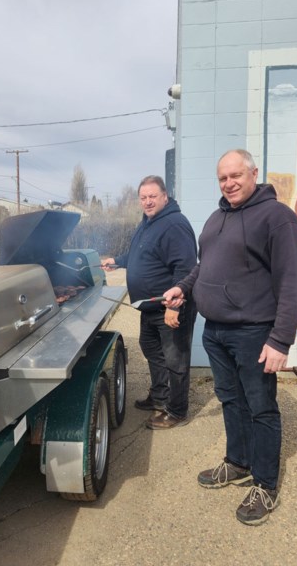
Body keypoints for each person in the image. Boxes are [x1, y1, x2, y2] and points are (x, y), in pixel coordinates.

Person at [163, 149, 297, 525]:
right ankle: (238, 462)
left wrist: (280, 340)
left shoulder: (278, 218)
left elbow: (294, 281)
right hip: (216, 332)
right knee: (230, 399)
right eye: (222, 178)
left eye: (236, 175)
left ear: (253, 173)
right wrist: (183, 287)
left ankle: (265, 483)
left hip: (254, 331)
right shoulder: (216, 219)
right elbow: (203, 266)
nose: (229, 183)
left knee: (260, 407)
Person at [101, 176, 197, 430]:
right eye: (143, 197)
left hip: (168, 307)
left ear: (165, 196)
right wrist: (118, 260)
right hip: (149, 306)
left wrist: (174, 307)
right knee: (150, 347)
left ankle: (176, 411)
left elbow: (185, 269)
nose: (147, 202)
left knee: (175, 360)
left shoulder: (174, 224)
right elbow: (140, 253)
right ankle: (160, 396)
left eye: (152, 196)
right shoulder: (149, 223)